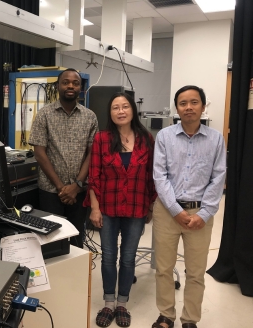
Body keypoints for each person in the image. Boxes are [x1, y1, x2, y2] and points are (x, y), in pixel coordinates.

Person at [152, 86, 226, 328]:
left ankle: (190, 319)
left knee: (195, 272)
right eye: (183, 103)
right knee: (164, 268)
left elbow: (218, 177)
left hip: (200, 214)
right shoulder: (164, 136)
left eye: (194, 102)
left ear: (203, 107)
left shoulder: (215, 138)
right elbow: (159, 176)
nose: (189, 107)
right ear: (177, 108)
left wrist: (204, 213)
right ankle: (166, 315)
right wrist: (176, 211)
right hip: (167, 211)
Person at [84, 92, 157, 327]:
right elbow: (93, 177)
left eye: (125, 106)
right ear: (110, 113)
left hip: (136, 207)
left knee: (127, 259)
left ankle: (122, 303)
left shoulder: (146, 138)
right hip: (107, 207)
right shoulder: (102, 139)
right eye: (115, 107)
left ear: (132, 110)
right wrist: (95, 209)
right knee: (108, 258)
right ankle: (108, 303)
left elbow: (152, 177)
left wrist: (150, 206)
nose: (121, 111)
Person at [28, 68, 98, 248]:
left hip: (79, 191)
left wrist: (77, 185)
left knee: (76, 238)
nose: (70, 86)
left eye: (75, 83)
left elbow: (92, 153)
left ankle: (76, 275)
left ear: (80, 88)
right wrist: (61, 187)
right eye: (66, 82)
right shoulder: (44, 114)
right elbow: (39, 153)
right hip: (50, 191)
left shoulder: (90, 117)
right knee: (52, 240)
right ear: (58, 86)